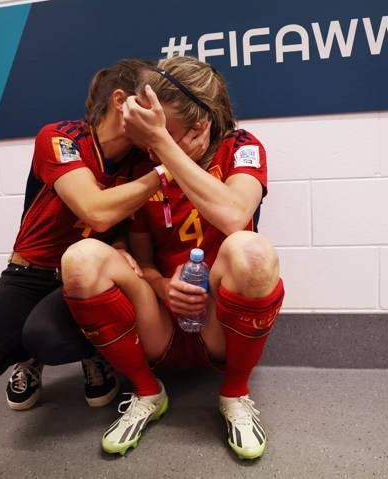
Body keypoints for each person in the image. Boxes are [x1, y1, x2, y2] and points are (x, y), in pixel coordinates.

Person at [61, 56, 285, 460]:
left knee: (251, 250)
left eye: (161, 133)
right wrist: (164, 285)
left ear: (200, 127)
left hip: (217, 323)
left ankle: (235, 393)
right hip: (161, 319)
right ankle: (147, 391)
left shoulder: (241, 147)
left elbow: (237, 215)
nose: (149, 145)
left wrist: (164, 147)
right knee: (80, 260)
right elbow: (142, 263)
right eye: (149, 136)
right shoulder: (143, 168)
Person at [0, 59, 162, 411]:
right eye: (153, 98)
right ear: (121, 101)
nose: (161, 111)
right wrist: (165, 172)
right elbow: (95, 211)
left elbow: (124, 225)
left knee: (47, 338)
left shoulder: (142, 160)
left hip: (85, 279)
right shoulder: (61, 137)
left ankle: (94, 351)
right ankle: (27, 357)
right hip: (29, 274)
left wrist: (119, 244)